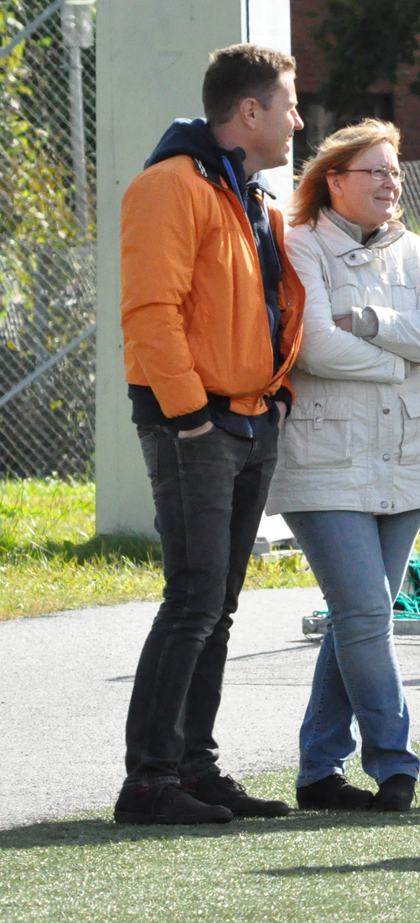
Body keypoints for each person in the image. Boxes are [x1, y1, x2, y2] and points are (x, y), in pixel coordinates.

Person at [115, 44, 305, 825]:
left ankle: (193, 769)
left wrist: (276, 393)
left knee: (215, 605)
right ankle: (149, 783)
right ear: (249, 112)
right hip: (196, 426)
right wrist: (192, 416)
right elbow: (149, 312)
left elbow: (266, 307)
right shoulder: (171, 186)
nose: (298, 121)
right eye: (290, 104)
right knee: (193, 600)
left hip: (249, 419)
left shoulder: (251, 197)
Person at [268, 119, 420, 813]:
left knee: (360, 618)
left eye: (394, 172)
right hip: (324, 461)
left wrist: (374, 324)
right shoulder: (300, 243)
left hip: (402, 458)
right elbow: (315, 345)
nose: (390, 183)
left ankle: (318, 772)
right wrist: (398, 361)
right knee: (367, 611)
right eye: (375, 171)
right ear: (335, 181)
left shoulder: (416, 249)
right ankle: (394, 763)